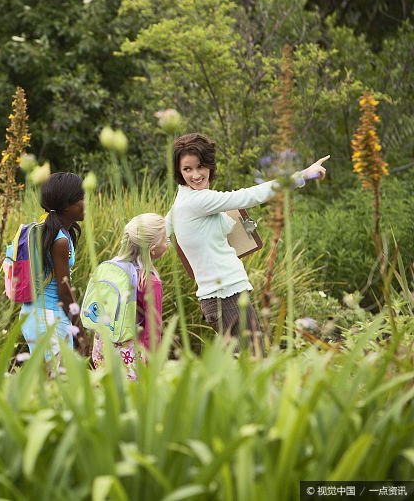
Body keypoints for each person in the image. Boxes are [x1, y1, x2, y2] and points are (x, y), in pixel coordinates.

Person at [166, 133, 329, 351]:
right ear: (179, 171)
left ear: (209, 165)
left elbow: (161, 229)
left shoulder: (185, 199)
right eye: (187, 169)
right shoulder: (197, 201)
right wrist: (303, 175)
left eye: (200, 166)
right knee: (254, 364)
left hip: (227, 295)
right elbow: (250, 195)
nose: (196, 175)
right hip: (226, 297)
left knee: (247, 369)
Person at [90, 213, 168, 379]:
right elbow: (152, 330)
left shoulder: (111, 269)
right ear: (153, 250)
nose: (167, 243)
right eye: (165, 239)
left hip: (102, 347)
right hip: (131, 356)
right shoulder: (149, 282)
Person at [21, 172, 87, 360]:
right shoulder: (59, 240)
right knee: (57, 384)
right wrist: (80, 331)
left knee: (47, 382)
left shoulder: (45, 230)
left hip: (32, 314)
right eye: (82, 198)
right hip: (49, 317)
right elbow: (64, 291)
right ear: (67, 206)